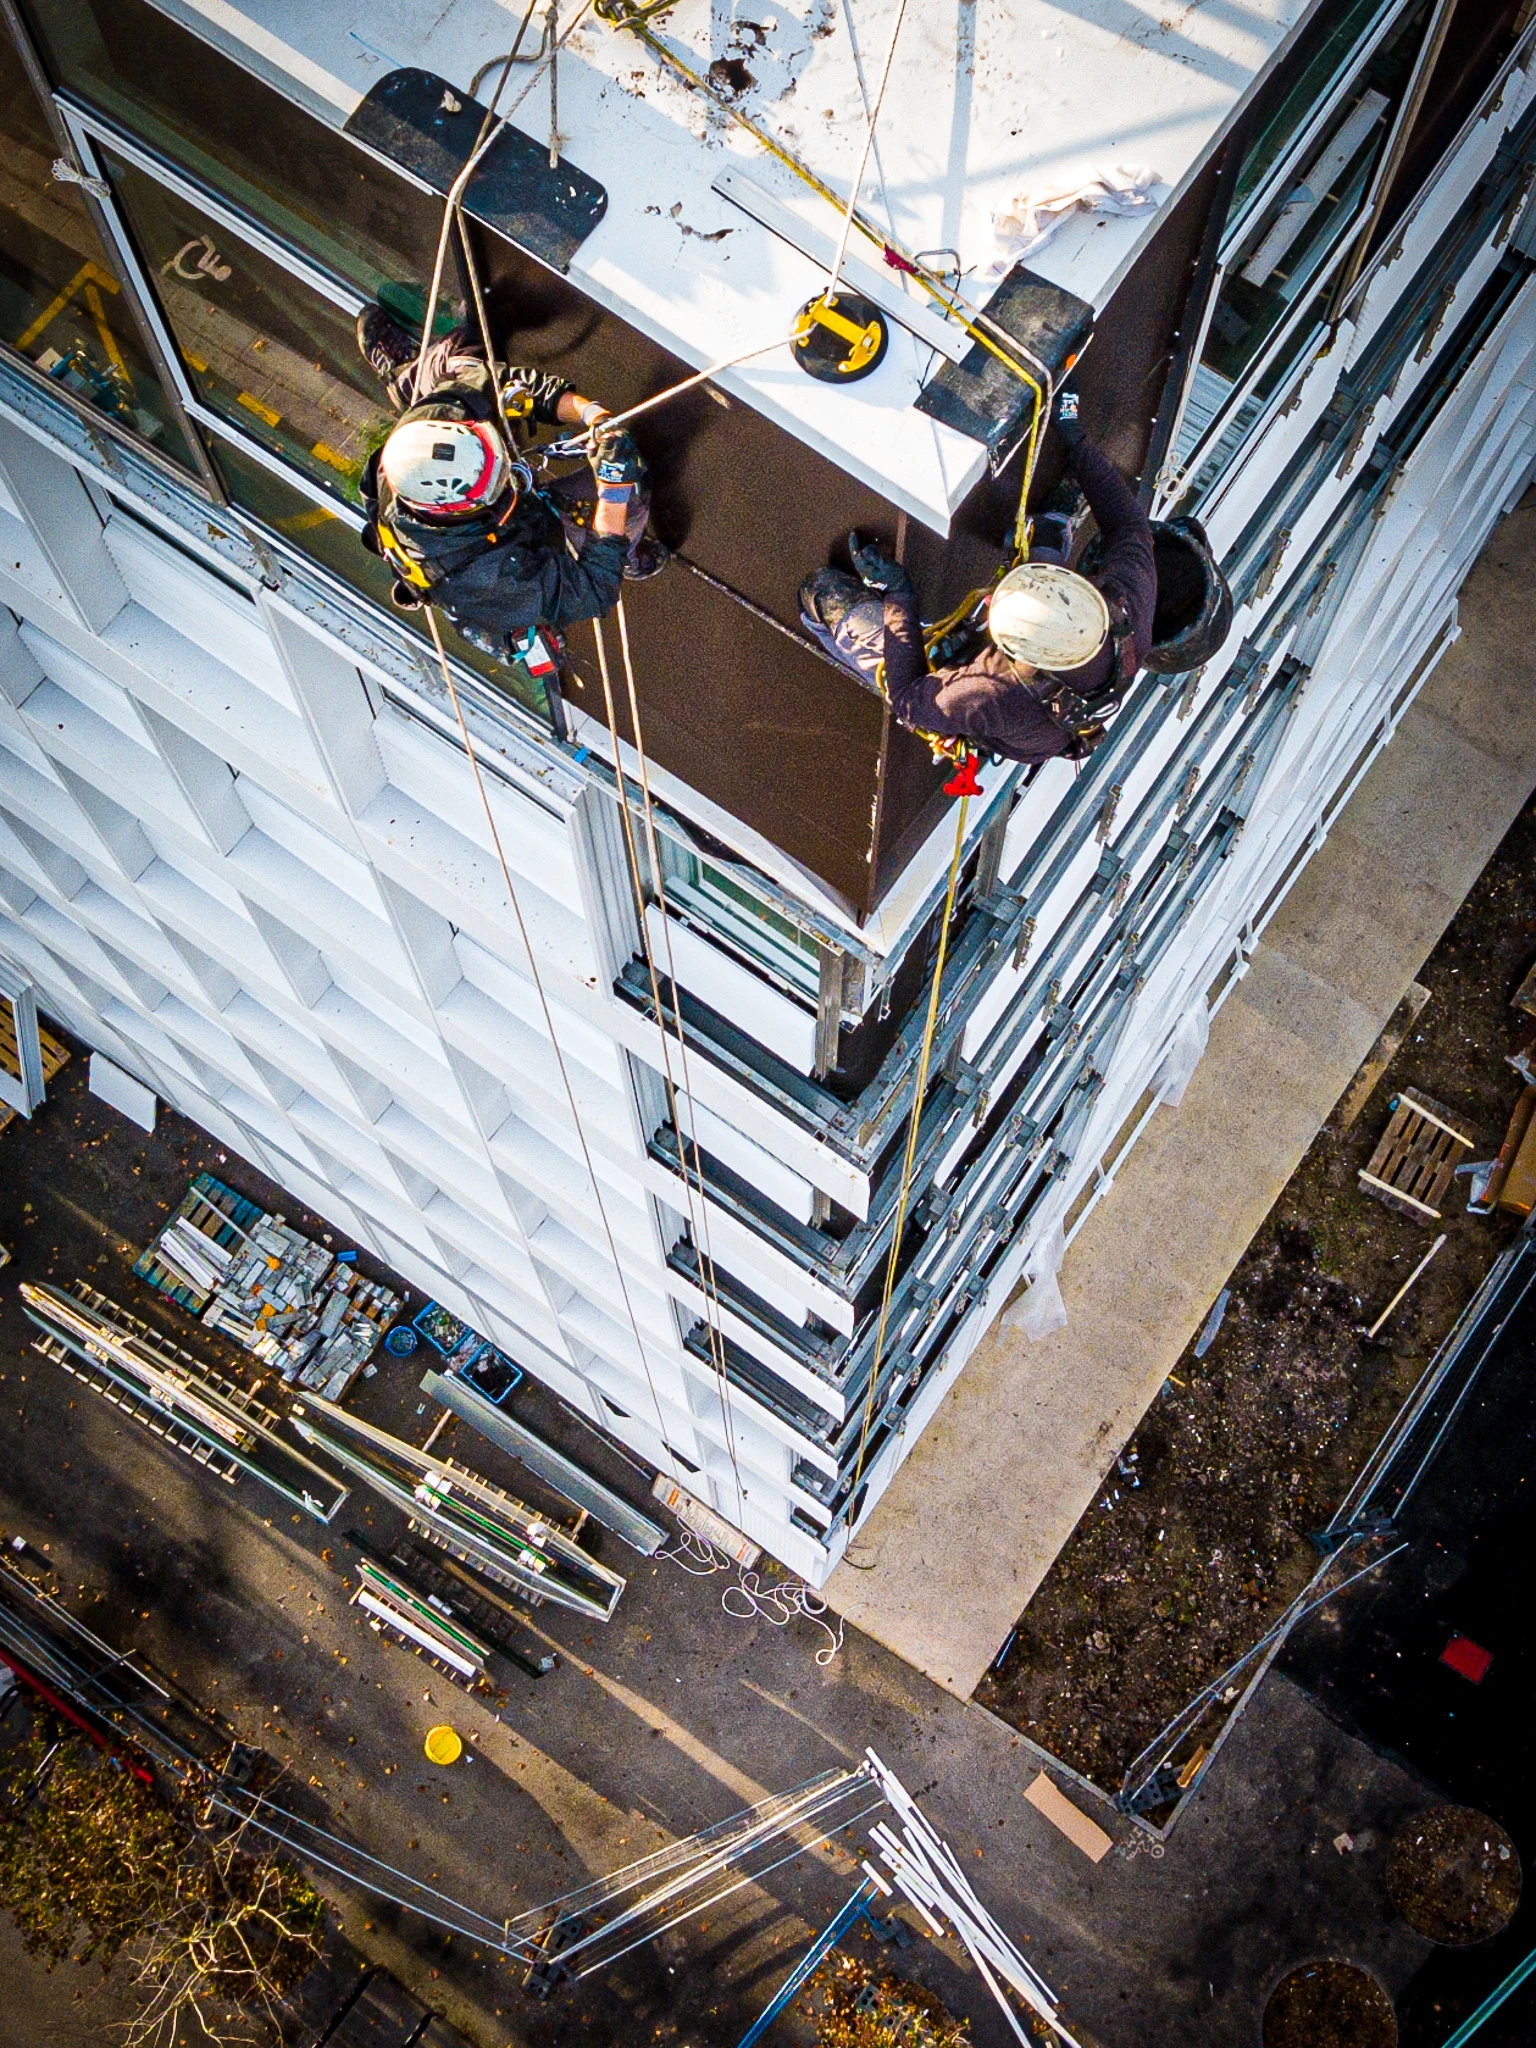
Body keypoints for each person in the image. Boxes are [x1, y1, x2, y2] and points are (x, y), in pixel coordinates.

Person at [798, 391, 1157, 764]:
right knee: (1045, 535)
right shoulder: (1126, 610)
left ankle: (836, 623)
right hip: (1043, 698)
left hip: (998, 707)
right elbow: (1130, 526)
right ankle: (1052, 532)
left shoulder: (989, 693)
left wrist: (898, 593)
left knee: (822, 591)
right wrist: (1075, 440)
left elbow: (907, 699)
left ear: (1012, 646)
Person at [354, 306, 665, 659]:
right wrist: (612, 489)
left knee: (467, 350)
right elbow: (592, 592)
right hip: (514, 543)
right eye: (492, 481)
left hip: (490, 522)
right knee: (632, 489)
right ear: (455, 507)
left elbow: (502, 385)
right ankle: (618, 554)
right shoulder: (492, 580)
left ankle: (405, 379)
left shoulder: (431, 423)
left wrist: (589, 414)